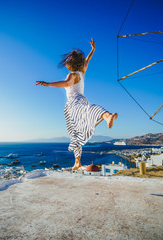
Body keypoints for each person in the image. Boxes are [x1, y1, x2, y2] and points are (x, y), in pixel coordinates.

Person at [36, 38, 118, 171]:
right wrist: (93, 49)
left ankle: (107, 116)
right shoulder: (82, 71)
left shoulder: (72, 75)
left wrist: (48, 84)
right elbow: (88, 60)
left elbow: (67, 84)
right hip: (82, 100)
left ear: (70, 64)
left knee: (75, 131)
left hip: (72, 104)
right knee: (80, 125)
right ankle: (77, 162)